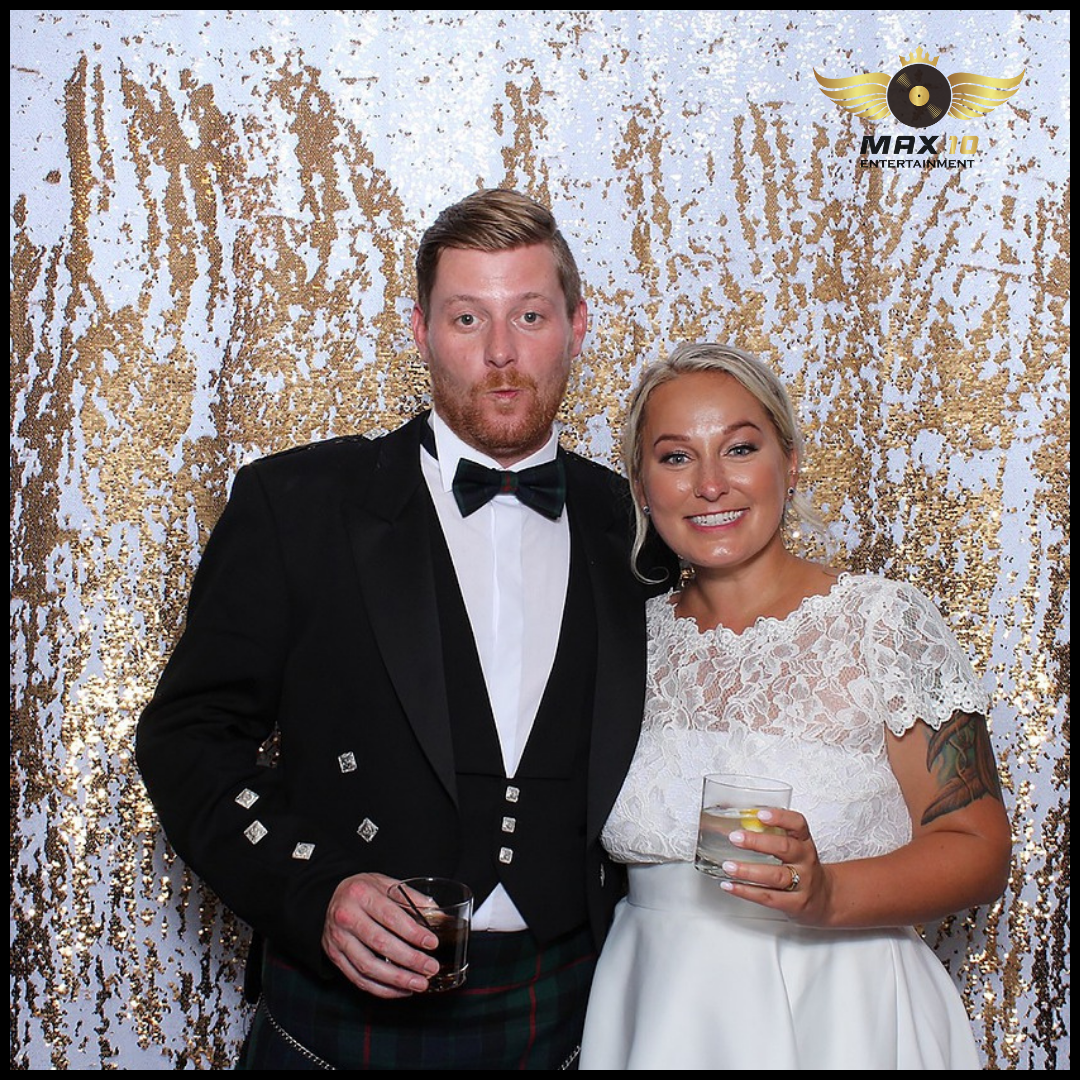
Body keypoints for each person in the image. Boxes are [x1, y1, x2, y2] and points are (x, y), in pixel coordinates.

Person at [135, 188, 674, 1071]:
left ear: (577, 327)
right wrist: (316, 891)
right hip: (338, 1020)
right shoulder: (297, 504)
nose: (500, 353)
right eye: (466, 318)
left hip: (571, 1009)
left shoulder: (641, 527)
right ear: (421, 332)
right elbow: (187, 737)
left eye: (530, 315)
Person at [578, 342, 1012, 1070]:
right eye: (677, 457)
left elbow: (980, 849)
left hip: (842, 1013)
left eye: (740, 448)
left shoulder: (884, 622)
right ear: (642, 488)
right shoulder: (622, 642)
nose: (710, 484)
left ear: (791, 461)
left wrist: (829, 893)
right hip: (659, 1008)